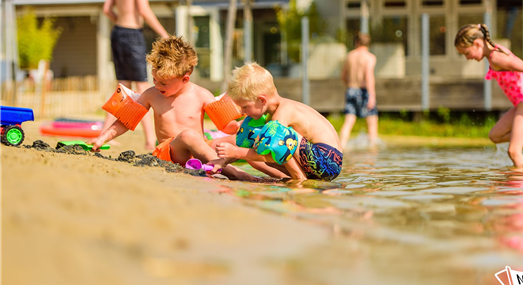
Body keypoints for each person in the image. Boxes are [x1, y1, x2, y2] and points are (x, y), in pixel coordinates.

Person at [90, 36, 259, 182]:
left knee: (241, 140)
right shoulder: (151, 95)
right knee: (189, 135)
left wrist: (245, 126)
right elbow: (126, 122)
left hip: (199, 149)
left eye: (163, 83)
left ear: (185, 78)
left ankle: (279, 170)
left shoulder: (202, 95)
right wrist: (102, 138)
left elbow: (227, 127)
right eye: (155, 79)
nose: (157, 85)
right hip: (170, 153)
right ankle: (235, 173)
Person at [210, 63, 343, 181]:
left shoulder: (283, 111)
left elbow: (276, 150)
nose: (243, 112)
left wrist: (236, 152)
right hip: (322, 161)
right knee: (254, 139)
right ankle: (293, 178)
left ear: (262, 100)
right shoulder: (272, 113)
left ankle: (299, 179)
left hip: (326, 159)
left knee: (274, 139)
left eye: (245, 107)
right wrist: (223, 162)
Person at [454, 24, 523, 168]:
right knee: (495, 135)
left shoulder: (497, 57)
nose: (467, 58)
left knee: (514, 151)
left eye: (466, 53)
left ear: (477, 44)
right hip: (522, 103)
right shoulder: (495, 52)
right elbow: (521, 66)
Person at [101, 0, 169, 151]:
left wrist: (120, 23)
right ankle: (150, 140)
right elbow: (143, 9)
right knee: (142, 86)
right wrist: (164, 35)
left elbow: (106, 9)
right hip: (131, 34)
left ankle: (105, 133)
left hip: (118, 32)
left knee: (123, 87)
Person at [338, 32, 378, 149]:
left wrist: (350, 86)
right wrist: (372, 95)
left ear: (356, 43)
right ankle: (373, 150)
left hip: (351, 89)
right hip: (364, 91)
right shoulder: (370, 57)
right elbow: (369, 76)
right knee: (371, 123)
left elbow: (343, 77)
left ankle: (342, 147)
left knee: (348, 121)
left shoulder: (349, 56)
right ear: (368, 44)